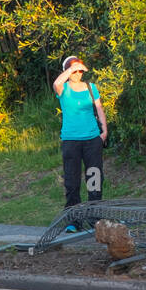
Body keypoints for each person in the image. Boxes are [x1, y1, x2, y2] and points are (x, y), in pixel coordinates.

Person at [53, 56, 108, 224]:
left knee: (94, 178)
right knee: (72, 180)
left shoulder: (91, 87)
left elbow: (99, 108)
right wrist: (70, 68)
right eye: (74, 70)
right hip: (71, 140)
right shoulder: (64, 89)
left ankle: (94, 217)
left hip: (92, 139)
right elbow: (56, 84)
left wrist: (104, 131)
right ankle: (73, 220)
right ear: (68, 71)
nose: (77, 73)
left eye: (79, 70)